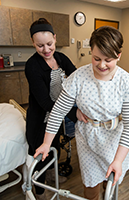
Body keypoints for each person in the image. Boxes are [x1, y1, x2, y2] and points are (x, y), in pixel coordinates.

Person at [34, 26, 129, 200]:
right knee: (90, 188)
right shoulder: (79, 76)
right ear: (91, 51)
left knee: (111, 184)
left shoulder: (126, 82)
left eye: (109, 60)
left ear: (119, 56)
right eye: (96, 58)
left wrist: (119, 160)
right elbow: (58, 110)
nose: (102, 65)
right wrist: (47, 143)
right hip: (88, 140)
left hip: (115, 141)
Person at [25, 18, 85, 200]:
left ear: (55, 38)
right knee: (42, 153)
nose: (46, 50)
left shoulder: (60, 58)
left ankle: (52, 174)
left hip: (57, 117)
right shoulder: (32, 66)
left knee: (56, 147)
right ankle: (40, 191)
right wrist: (73, 113)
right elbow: (44, 102)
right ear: (33, 44)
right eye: (40, 46)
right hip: (41, 120)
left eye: (49, 44)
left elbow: (77, 78)